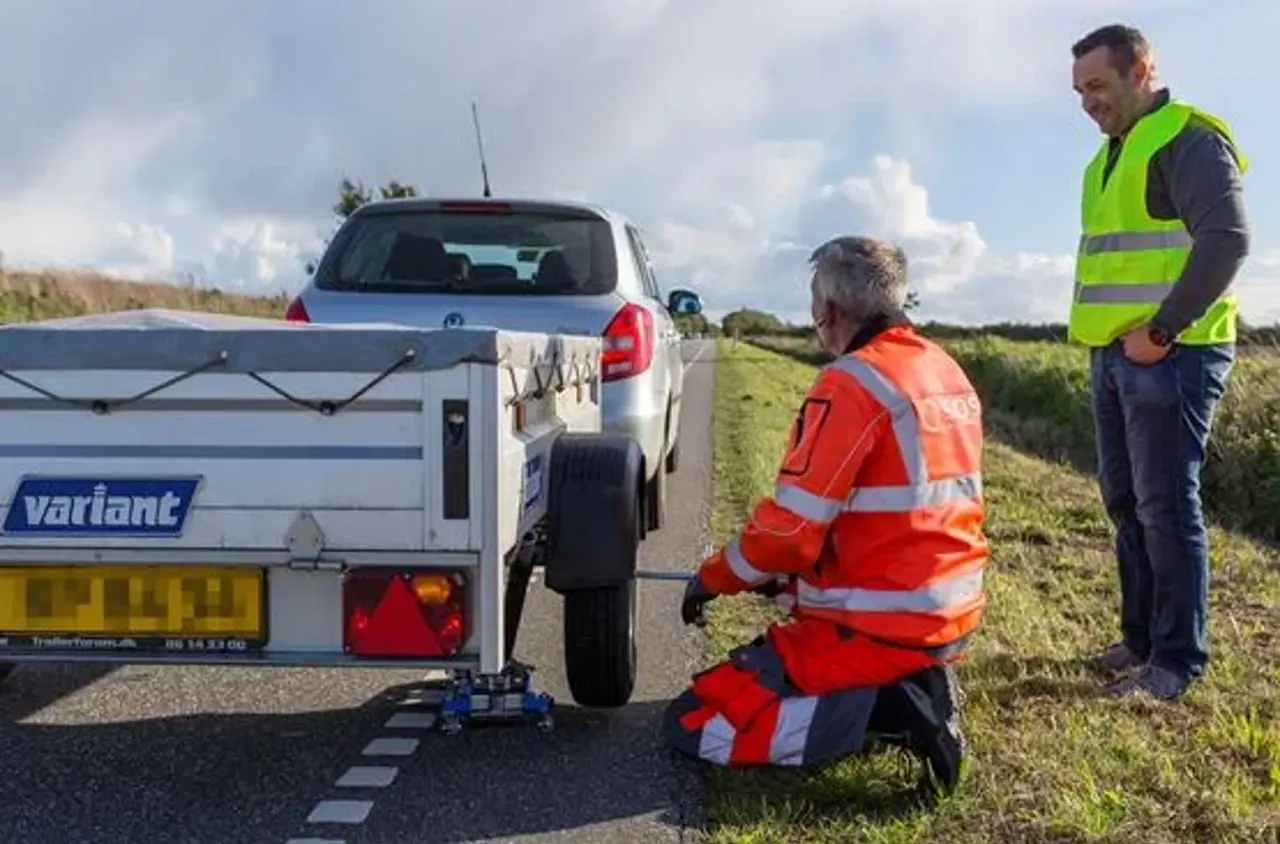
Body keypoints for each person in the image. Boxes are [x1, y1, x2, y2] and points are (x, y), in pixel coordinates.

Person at [662, 235, 989, 794]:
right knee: (764, 645)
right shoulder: (944, 370)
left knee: (696, 723)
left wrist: (713, 578)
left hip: (881, 624)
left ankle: (894, 712)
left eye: (815, 310)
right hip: (946, 608)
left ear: (831, 313)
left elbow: (788, 531)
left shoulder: (852, 382)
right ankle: (906, 687)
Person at [1068, 24, 1250, 700]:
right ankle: (1140, 641)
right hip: (1114, 355)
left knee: (1166, 507)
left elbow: (1227, 240)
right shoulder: (1109, 156)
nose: (1088, 101)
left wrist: (1166, 329)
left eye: (1098, 85)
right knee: (1126, 502)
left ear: (1141, 70)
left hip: (1170, 356)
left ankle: (1174, 665)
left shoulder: (1189, 140)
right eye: (1080, 90)